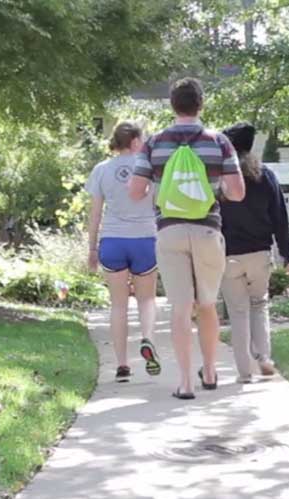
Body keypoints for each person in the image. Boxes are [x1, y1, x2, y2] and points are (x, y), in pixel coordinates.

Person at [128, 78, 245, 400]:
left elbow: (135, 192)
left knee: (180, 308)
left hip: (170, 230)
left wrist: (161, 185)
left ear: (172, 105)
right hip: (208, 230)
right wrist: (210, 187)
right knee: (207, 304)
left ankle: (185, 383)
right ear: (201, 104)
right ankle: (209, 371)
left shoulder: (154, 143)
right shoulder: (219, 142)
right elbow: (237, 192)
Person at [219, 122, 289, 383]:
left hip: (228, 255)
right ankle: (264, 357)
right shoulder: (265, 175)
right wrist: (288, 254)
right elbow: (280, 218)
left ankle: (244, 371)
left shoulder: (220, 180)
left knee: (238, 311)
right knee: (259, 304)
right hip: (260, 253)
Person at [86, 122, 161, 383]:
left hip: (113, 241)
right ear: (136, 141)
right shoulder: (148, 168)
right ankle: (148, 338)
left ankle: (121, 365)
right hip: (144, 239)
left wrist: (92, 249)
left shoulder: (101, 170)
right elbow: (158, 203)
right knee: (147, 300)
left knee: (118, 305)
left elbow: (95, 213)